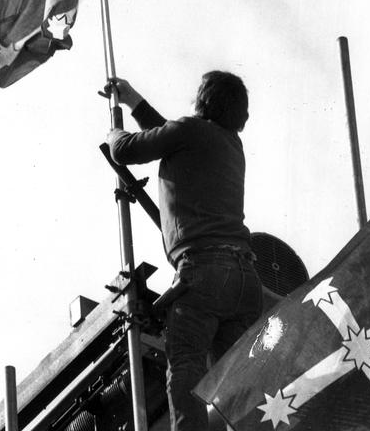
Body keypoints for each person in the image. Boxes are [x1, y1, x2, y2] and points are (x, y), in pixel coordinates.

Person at [106, 71, 263, 431]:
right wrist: (134, 100)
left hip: (204, 273)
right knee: (234, 388)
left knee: (187, 371)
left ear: (203, 99)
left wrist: (114, 125)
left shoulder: (191, 133)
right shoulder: (227, 143)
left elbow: (125, 150)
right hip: (243, 279)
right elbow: (169, 136)